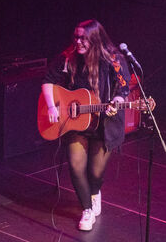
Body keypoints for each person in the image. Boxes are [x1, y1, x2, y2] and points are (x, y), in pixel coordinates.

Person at [41, 19, 131, 231]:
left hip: (104, 122)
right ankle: (87, 209)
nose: (78, 42)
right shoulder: (68, 57)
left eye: (84, 39)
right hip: (76, 121)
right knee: (75, 166)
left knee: (95, 173)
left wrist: (117, 103)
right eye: (76, 37)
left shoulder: (114, 59)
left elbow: (123, 89)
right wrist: (52, 107)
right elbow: (47, 80)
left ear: (96, 40)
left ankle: (94, 191)